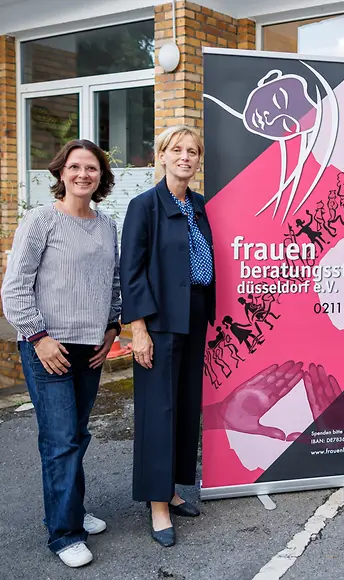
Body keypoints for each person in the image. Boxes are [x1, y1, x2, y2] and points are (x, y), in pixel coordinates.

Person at [2, 139, 121, 568]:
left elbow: (112, 283)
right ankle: (64, 533)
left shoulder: (107, 225)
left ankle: (70, 509)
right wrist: (38, 337)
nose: (83, 174)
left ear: (101, 177)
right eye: (75, 167)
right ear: (61, 173)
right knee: (60, 441)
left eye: (91, 168)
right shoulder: (41, 222)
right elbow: (14, 288)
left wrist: (112, 328)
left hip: (90, 347)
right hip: (48, 347)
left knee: (78, 435)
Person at [120, 125, 215, 548]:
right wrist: (138, 329)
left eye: (192, 151)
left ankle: (173, 489)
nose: (185, 157)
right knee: (157, 412)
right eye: (177, 150)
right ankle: (157, 504)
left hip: (194, 315)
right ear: (162, 155)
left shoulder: (198, 204)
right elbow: (131, 272)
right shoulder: (144, 206)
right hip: (158, 322)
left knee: (183, 407)